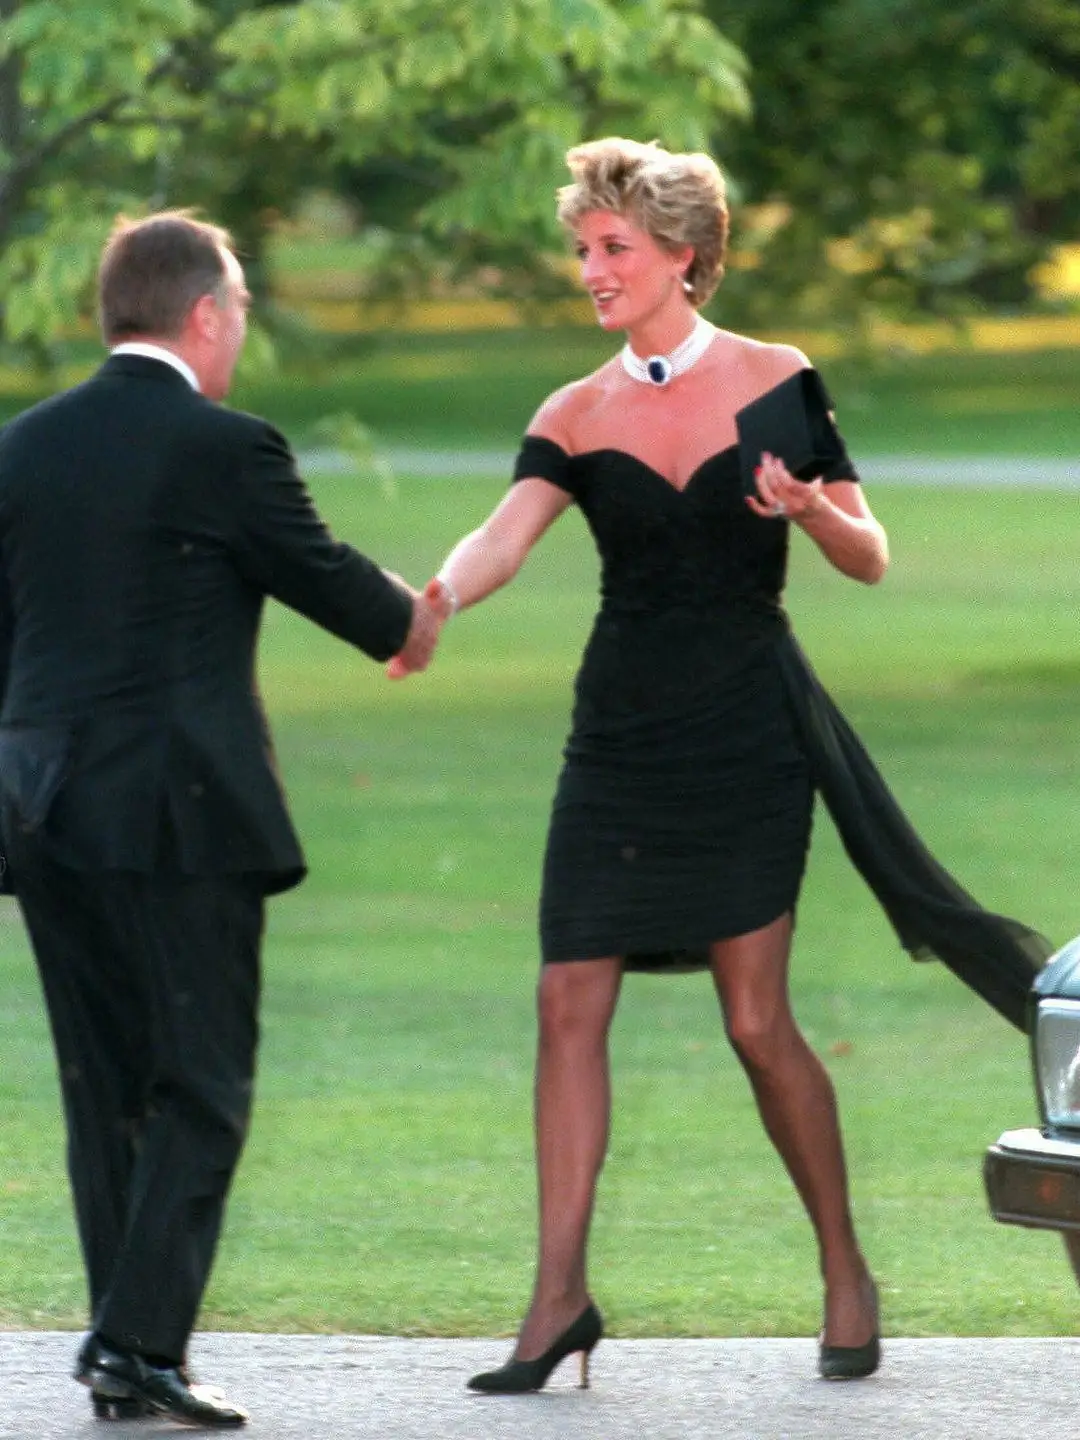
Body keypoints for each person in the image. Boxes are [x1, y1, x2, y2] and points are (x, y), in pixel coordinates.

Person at [393, 137, 1052, 1392]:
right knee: (565, 999)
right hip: (619, 738)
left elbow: (871, 557)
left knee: (755, 1022)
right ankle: (556, 1302)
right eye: (583, 249)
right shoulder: (572, 413)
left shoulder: (779, 379)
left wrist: (810, 509)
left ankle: (847, 1271)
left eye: (613, 249)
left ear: (683, 258)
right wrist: (433, 600)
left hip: (746, 730)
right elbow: (502, 538)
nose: (591, 269)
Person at [0, 210, 447, 1427]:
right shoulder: (224, 447)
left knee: (106, 1090)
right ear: (203, 315)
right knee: (203, 1082)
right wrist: (423, 610)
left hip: (39, 812)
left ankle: (123, 1356)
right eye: (240, 311)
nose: (241, 333)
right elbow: (349, 595)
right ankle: (136, 1344)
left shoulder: (22, 448)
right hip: (179, 817)